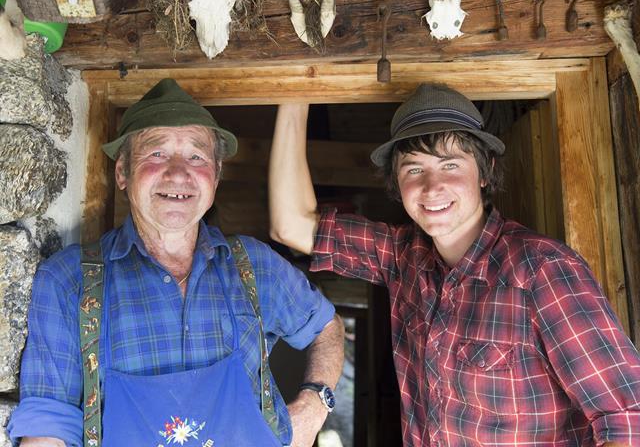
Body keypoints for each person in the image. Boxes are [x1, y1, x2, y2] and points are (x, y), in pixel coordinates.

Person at [268, 84, 640, 446]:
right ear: (397, 185)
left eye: (450, 165)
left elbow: (626, 418)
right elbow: (290, 225)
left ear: (485, 171)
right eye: (414, 170)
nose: (432, 187)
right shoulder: (405, 259)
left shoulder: (541, 270)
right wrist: (299, 83)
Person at [8, 78, 344, 447]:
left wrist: (314, 404)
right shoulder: (68, 280)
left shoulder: (255, 266)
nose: (178, 173)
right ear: (122, 172)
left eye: (197, 156)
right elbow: (47, 429)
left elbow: (327, 326)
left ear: (215, 176)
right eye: (156, 154)